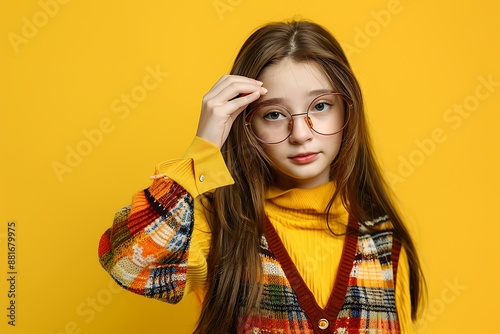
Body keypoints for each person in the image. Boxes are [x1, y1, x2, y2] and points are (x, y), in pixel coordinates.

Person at [98, 20, 425, 333]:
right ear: (247, 124)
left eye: (321, 106)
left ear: (347, 109)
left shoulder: (385, 243)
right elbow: (128, 264)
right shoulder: (220, 227)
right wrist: (204, 149)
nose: (300, 134)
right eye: (273, 114)